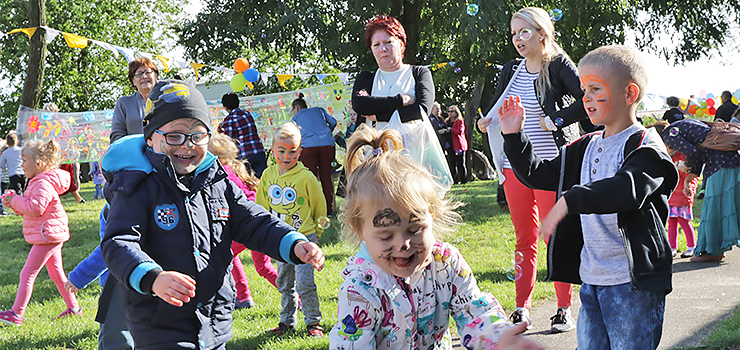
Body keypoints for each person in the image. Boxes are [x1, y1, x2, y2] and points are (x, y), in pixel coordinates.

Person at [100, 80, 325, 349]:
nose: (187, 145)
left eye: (198, 135)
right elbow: (118, 242)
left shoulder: (216, 180)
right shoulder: (137, 186)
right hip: (159, 320)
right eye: (175, 136)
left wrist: (293, 242)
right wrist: (153, 277)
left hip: (214, 318)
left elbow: (253, 221)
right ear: (151, 138)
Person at [501, 45, 677, 349]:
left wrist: (570, 199)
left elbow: (626, 190)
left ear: (629, 93)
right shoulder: (585, 146)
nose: (586, 98)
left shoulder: (647, 147)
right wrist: (514, 138)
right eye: (583, 90)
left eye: (595, 89)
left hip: (632, 285)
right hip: (592, 280)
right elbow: (539, 175)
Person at [328, 125, 543, 350]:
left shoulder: (445, 263)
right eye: (386, 235)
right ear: (359, 230)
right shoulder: (360, 288)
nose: (403, 244)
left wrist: (500, 339)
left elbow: (474, 312)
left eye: (415, 229)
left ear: (433, 216)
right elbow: (352, 343)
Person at [476, 6, 588, 332]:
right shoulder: (510, 69)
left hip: (552, 166)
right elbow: (500, 108)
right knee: (525, 236)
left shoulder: (558, 65)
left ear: (542, 33)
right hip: (515, 167)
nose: (517, 39)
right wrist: (487, 122)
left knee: (555, 234)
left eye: (524, 32)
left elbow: (587, 101)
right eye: (513, 33)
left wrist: (555, 119)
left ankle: (563, 308)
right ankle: (522, 307)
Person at [0, 139, 82, 326]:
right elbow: (32, 209)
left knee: (27, 274)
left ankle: (16, 314)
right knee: (57, 274)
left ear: (39, 163)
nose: (22, 164)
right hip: (50, 232)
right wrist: (14, 204)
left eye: (24, 160)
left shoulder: (42, 183)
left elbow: (36, 208)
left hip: (48, 234)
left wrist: (15, 201)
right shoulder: (38, 181)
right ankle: (74, 308)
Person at [256, 122, 326, 337]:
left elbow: (319, 207)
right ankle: (287, 322)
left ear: (300, 151)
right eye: (282, 151)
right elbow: (261, 206)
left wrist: (317, 236)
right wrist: (265, 233)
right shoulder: (268, 175)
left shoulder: (307, 178)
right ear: (273, 149)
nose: (287, 156)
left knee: (305, 283)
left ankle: (314, 322)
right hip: (280, 240)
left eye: (293, 151)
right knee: (284, 283)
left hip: (305, 238)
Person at [208, 133, 279, 309]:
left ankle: (243, 296)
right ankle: (296, 297)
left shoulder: (221, 175)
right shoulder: (236, 169)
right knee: (263, 267)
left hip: (246, 227)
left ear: (217, 158)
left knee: (227, 254)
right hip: (258, 224)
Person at [663, 118, 740, 262]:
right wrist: (687, 180)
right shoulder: (688, 125)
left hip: (719, 165)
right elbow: (698, 153)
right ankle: (715, 249)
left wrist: (686, 167)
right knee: (726, 207)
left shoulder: (669, 134)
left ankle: (712, 252)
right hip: (730, 162)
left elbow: (692, 153)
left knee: (714, 209)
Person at [64, 206, 135, 350]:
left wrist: (80, 275)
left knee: (115, 338)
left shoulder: (117, 204)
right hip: (153, 280)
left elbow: (111, 248)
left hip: (118, 283)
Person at [352, 14, 434, 128]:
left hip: (414, 144)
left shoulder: (420, 73)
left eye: (388, 42)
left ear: (401, 45)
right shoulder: (366, 78)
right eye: (376, 45)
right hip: (374, 145)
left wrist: (379, 117)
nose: (383, 49)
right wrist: (400, 101)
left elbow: (422, 110)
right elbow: (360, 104)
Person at [650, 121, 698, 258]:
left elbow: (691, 175)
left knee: (684, 221)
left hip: (683, 195)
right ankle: (672, 247)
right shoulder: (667, 156)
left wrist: (689, 188)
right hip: (671, 196)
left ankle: (691, 246)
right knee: (671, 222)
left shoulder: (683, 156)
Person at [291, 93, 338, 215]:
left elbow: (294, 137)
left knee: (310, 178)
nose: (292, 112)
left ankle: (313, 210)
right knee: (326, 177)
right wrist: (327, 133)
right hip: (328, 145)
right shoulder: (319, 110)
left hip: (308, 148)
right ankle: (329, 209)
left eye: (292, 110)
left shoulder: (295, 119)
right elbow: (333, 122)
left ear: (296, 108)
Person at [219, 92, 267, 177]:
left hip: (244, 155)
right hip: (259, 151)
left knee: (248, 183)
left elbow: (228, 140)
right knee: (263, 180)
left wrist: (221, 132)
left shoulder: (229, 120)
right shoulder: (247, 114)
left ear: (225, 107)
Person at [110, 57, 158, 143]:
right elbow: (117, 135)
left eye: (147, 72)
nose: (144, 76)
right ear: (133, 81)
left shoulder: (166, 100)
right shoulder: (124, 103)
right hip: (134, 153)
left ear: (156, 76)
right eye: (139, 74)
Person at [0, 132, 26, 196]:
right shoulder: (21, 150)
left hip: (13, 174)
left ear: (7, 143)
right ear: (17, 141)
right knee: (25, 192)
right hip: (23, 172)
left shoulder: (5, 153)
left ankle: (19, 204)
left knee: (18, 192)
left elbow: (2, 165)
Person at [449, 105, 469, 184]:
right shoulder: (447, 121)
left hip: (459, 145)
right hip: (450, 145)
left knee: (460, 164)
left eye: (452, 111)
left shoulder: (459, 121)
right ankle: (454, 180)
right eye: (449, 111)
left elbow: (460, 131)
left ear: (456, 113)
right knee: (452, 163)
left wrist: (450, 130)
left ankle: (464, 180)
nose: (450, 113)